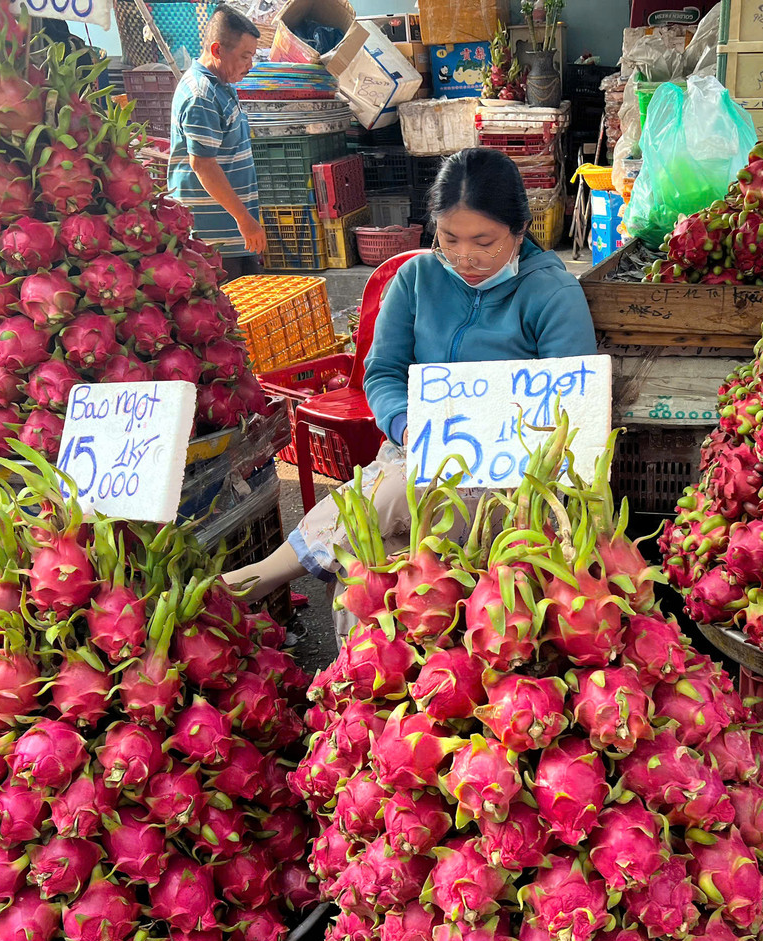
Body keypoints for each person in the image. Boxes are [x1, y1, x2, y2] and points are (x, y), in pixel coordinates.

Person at [225, 148, 597, 634]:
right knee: (367, 570)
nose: (465, 257)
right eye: (449, 239)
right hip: (415, 449)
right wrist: (404, 423)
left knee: (398, 493)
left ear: (521, 229)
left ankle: (261, 576)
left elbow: (573, 407)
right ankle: (354, 677)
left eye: (484, 242)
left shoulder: (552, 294)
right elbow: (383, 372)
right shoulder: (416, 279)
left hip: (514, 480)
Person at [168, 4, 266, 282]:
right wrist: (244, 219)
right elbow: (203, 165)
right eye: (245, 56)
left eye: (252, 56)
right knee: (227, 303)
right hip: (213, 239)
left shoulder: (220, 85)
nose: (250, 65)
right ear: (217, 50)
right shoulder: (201, 96)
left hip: (233, 232)